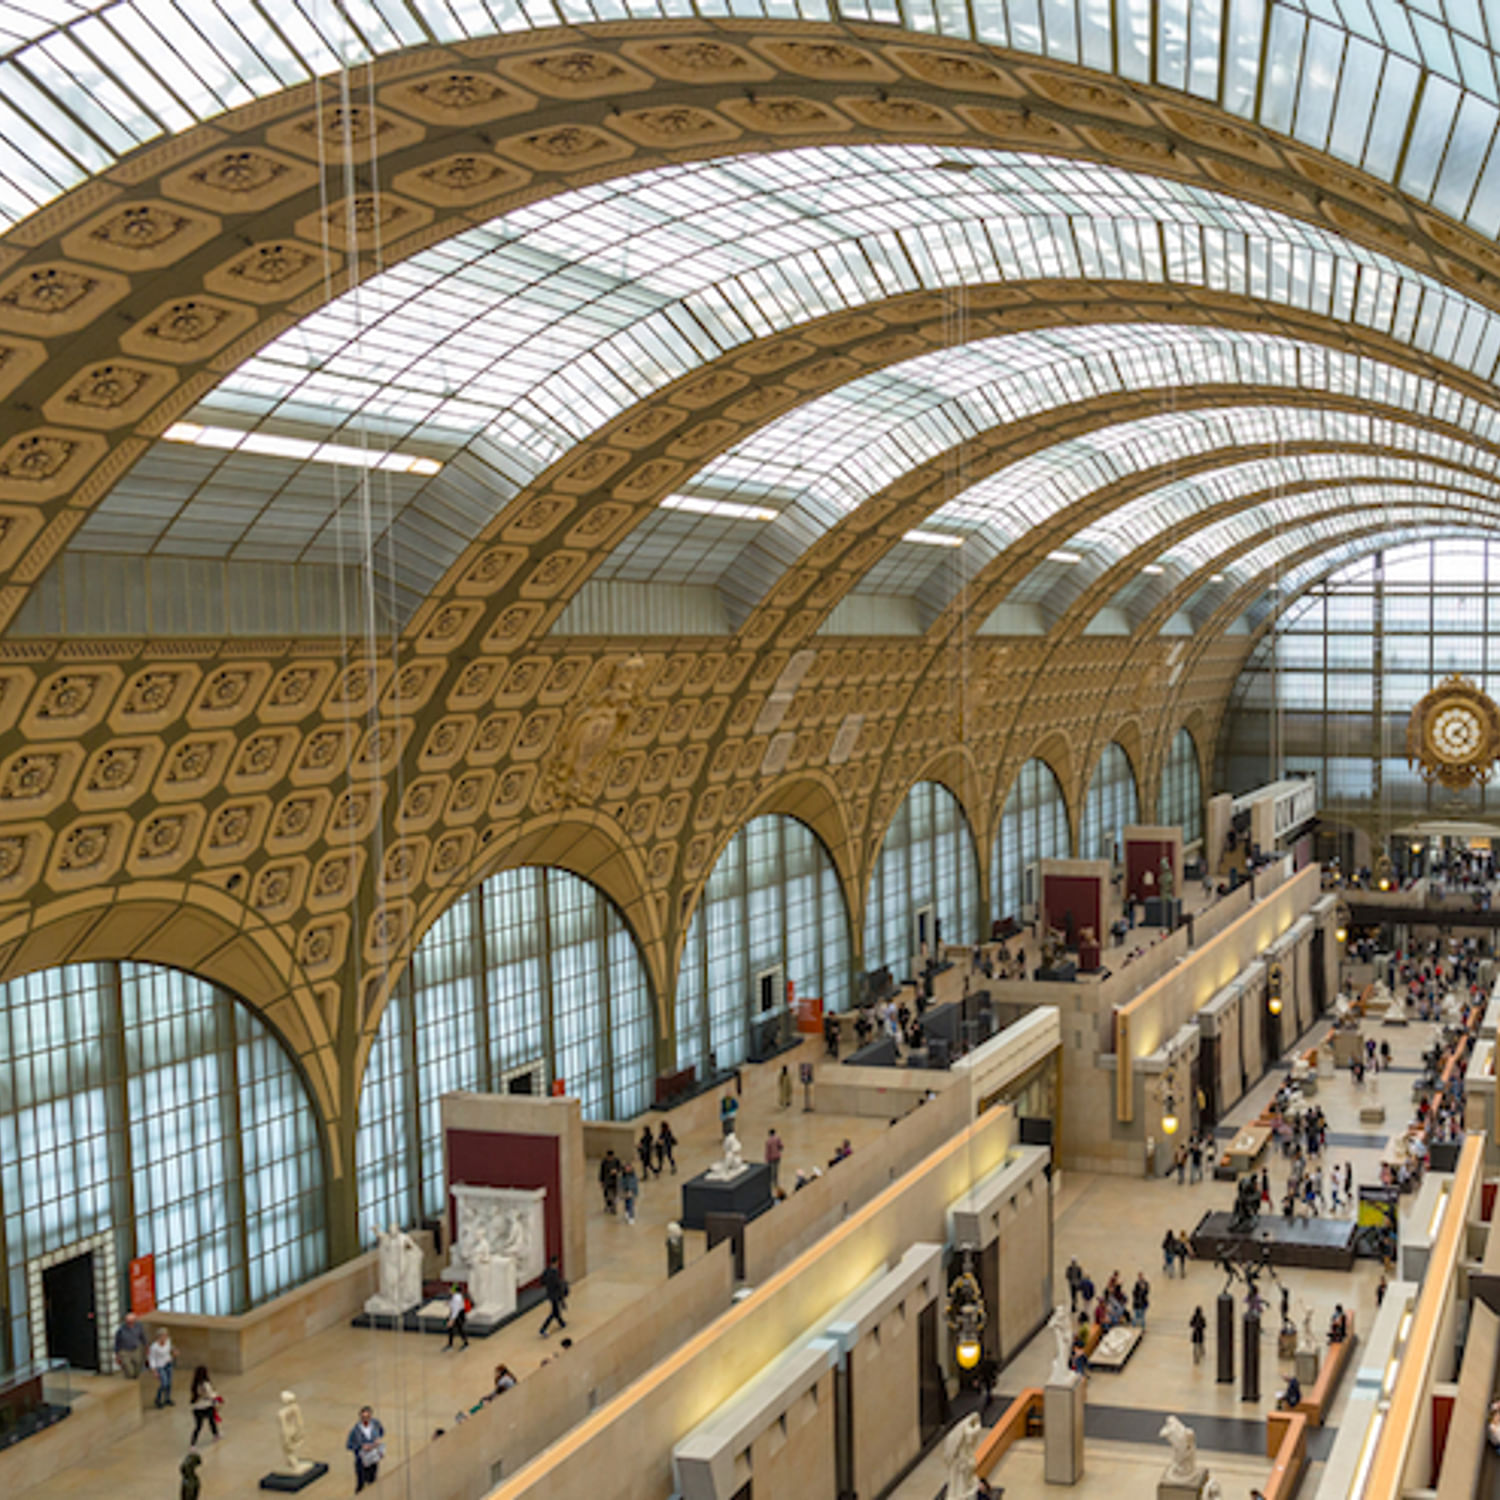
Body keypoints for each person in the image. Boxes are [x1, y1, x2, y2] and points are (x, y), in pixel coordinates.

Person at [347, 1406, 385, 1492]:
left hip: (373, 1457)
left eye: (367, 1417)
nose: (365, 1419)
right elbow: (349, 1445)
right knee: (361, 1484)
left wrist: (377, 1440)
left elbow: (381, 1432)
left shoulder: (375, 1424)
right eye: (363, 1417)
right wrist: (361, 1446)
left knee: (372, 1480)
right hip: (362, 1460)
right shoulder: (355, 1430)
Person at [189, 1365, 221, 1445]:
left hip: (197, 1408)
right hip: (206, 1406)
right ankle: (216, 1435)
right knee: (212, 1421)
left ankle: (193, 1444)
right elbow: (210, 1395)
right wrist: (216, 1397)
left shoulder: (195, 1384)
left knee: (198, 1427)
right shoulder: (205, 1384)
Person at [114, 1311, 148, 1380]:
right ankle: (129, 1377)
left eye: (132, 1321)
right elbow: (117, 1343)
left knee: (138, 1365)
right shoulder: (121, 1330)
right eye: (128, 1321)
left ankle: (135, 1378)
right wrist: (117, 1355)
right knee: (129, 1369)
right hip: (124, 1351)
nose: (130, 1323)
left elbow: (143, 1337)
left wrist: (146, 1346)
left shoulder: (139, 1326)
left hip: (135, 1349)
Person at [539, 1255, 568, 1336]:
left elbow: (542, 1281)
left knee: (556, 1311)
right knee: (553, 1313)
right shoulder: (555, 1273)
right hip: (555, 1295)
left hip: (550, 1294)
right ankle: (543, 1329)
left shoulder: (546, 1271)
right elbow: (558, 1285)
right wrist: (562, 1297)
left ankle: (562, 1323)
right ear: (556, 1262)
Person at [148, 1328, 176, 1408]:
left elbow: (171, 1347)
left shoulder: (168, 1341)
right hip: (160, 1366)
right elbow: (151, 1359)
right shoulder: (154, 1347)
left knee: (169, 1383)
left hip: (168, 1364)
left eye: (166, 1336)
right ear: (159, 1337)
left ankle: (167, 1398)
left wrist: (174, 1351)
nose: (165, 1338)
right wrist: (154, 1371)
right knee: (164, 1383)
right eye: (163, 1336)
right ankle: (158, 1399)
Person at [445, 1284, 469, 1350]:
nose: (449, 1290)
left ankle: (466, 1344)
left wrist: (451, 1320)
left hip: (458, 1315)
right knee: (451, 1329)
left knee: (460, 1329)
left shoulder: (457, 1298)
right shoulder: (455, 1296)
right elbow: (452, 1303)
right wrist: (449, 1303)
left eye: (450, 1289)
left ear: (454, 1290)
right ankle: (450, 1345)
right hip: (455, 1314)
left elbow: (456, 1310)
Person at [600, 1149, 621, 1213]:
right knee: (607, 1195)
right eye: (608, 1157)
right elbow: (601, 1172)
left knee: (614, 1195)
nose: (610, 1158)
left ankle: (613, 1208)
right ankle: (608, 1206)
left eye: (611, 1157)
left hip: (614, 1180)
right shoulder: (604, 1162)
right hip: (606, 1180)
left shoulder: (616, 1161)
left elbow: (620, 1168)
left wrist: (616, 1171)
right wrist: (601, 1181)